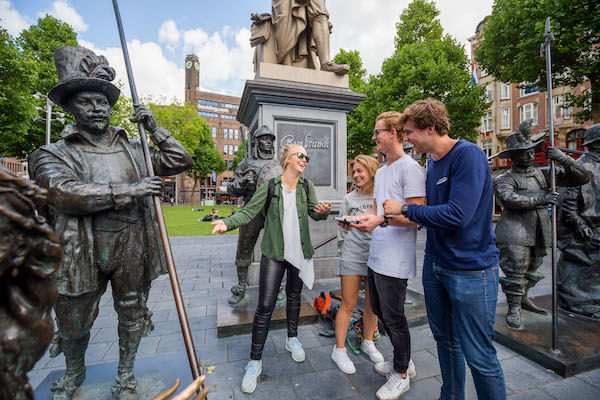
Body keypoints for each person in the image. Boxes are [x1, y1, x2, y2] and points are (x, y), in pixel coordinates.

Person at [28, 46, 193, 399]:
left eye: (103, 101)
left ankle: (126, 374)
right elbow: (63, 193)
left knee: (132, 312)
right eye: (87, 101)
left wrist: (153, 128)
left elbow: (179, 159)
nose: (97, 107)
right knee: (74, 324)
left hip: (131, 244)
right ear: (70, 106)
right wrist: (131, 190)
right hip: (79, 249)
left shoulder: (135, 149)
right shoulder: (52, 154)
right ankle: (74, 372)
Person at [382, 99, 506, 400]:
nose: (406, 138)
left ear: (431, 129)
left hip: (472, 270)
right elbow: (433, 215)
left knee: (478, 354)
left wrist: (406, 209)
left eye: (410, 132)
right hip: (437, 265)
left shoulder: (469, 155)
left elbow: (457, 215)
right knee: (446, 341)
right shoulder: (432, 163)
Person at [211, 144, 331, 393]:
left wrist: (322, 212)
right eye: (300, 155)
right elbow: (249, 212)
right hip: (275, 253)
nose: (305, 159)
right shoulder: (270, 186)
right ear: (287, 159)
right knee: (265, 307)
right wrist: (227, 222)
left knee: (294, 298)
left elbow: (314, 214)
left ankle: (292, 339)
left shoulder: (307, 187)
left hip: (299, 253)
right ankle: (254, 362)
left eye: (307, 157)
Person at [345, 111, 426, 400]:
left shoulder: (411, 169)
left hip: (396, 260)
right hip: (376, 256)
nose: (374, 137)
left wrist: (381, 220)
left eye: (378, 131)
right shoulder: (383, 171)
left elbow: (417, 216)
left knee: (395, 318)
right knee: (380, 313)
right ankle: (405, 362)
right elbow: (377, 210)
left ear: (394, 132)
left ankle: (401, 375)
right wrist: (357, 219)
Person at [493, 121, 589, 328]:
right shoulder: (503, 178)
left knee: (532, 268)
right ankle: (514, 308)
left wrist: (563, 159)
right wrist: (540, 200)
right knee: (516, 269)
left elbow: (582, 178)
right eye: (523, 153)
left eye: (530, 152)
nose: (528, 156)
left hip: (539, 229)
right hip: (514, 231)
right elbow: (510, 199)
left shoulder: (543, 173)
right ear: (513, 156)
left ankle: (524, 299)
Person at [332, 155, 384, 375]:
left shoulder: (381, 196)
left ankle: (368, 341)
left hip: (376, 257)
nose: (356, 175)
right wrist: (344, 248)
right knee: (348, 304)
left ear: (371, 171)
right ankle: (339, 349)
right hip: (352, 255)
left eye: (360, 171)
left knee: (373, 304)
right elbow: (341, 232)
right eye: (354, 171)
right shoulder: (349, 198)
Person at [226, 126, 281, 304]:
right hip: (251, 210)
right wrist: (242, 182)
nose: (268, 142)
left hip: (273, 210)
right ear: (256, 142)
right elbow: (231, 189)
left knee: (276, 248)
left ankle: (277, 285)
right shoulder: (245, 164)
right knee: (244, 247)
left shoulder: (278, 164)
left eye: (270, 139)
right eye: (264, 138)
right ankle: (241, 285)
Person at [558, 123, 600, 318]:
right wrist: (580, 223)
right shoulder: (581, 167)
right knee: (577, 267)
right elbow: (568, 203)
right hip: (584, 228)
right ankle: (576, 301)